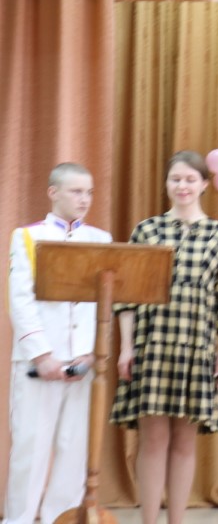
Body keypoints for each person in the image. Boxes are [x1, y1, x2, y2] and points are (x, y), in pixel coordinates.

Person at [110, 150, 218, 524]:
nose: (182, 186)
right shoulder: (147, 231)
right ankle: (149, 520)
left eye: (190, 179)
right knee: (152, 439)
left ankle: (177, 521)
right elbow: (127, 295)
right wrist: (126, 347)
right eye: (176, 179)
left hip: (197, 347)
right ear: (167, 184)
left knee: (185, 441)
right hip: (152, 346)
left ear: (204, 184)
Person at [4, 163, 112, 524]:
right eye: (76, 191)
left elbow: (104, 303)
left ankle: (60, 518)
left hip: (83, 362)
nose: (85, 199)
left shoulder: (101, 240)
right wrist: (42, 355)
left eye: (89, 192)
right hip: (39, 363)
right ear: (53, 192)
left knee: (74, 451)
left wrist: (90, 353)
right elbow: (20, 300)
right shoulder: (27, 236)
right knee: (30, 449)